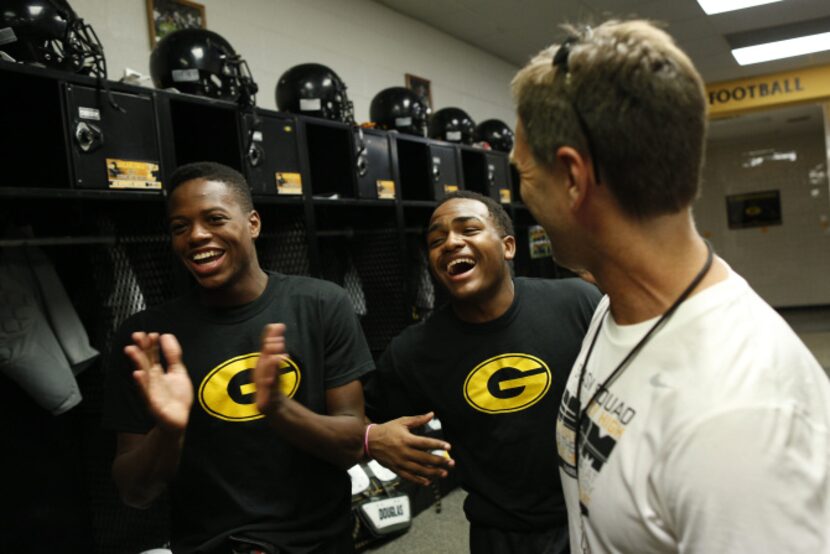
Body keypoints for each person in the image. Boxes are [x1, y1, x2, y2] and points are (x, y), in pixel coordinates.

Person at [511, 20, 830, 553]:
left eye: (523, 174)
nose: (522, 197)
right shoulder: (614, 307)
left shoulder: (741, 420)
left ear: (572, 178)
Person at [103, 161, 374, 554]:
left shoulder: (320, 304)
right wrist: (169, 430)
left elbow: (352, 443)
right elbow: (133, 493)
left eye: (214, 219)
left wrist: (280, 410)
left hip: (316, 544)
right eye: (180, 227)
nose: (196, 235)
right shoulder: (146, 337)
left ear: (253, 224)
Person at [364, 190, 601, 553]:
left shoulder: (577, 302)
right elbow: (357, 421)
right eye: (436, 240)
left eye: (468, 230)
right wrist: (373, 437)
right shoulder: (413, 351)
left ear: (508, 246)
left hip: (596, 519)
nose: (450, 243)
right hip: (500, 535)